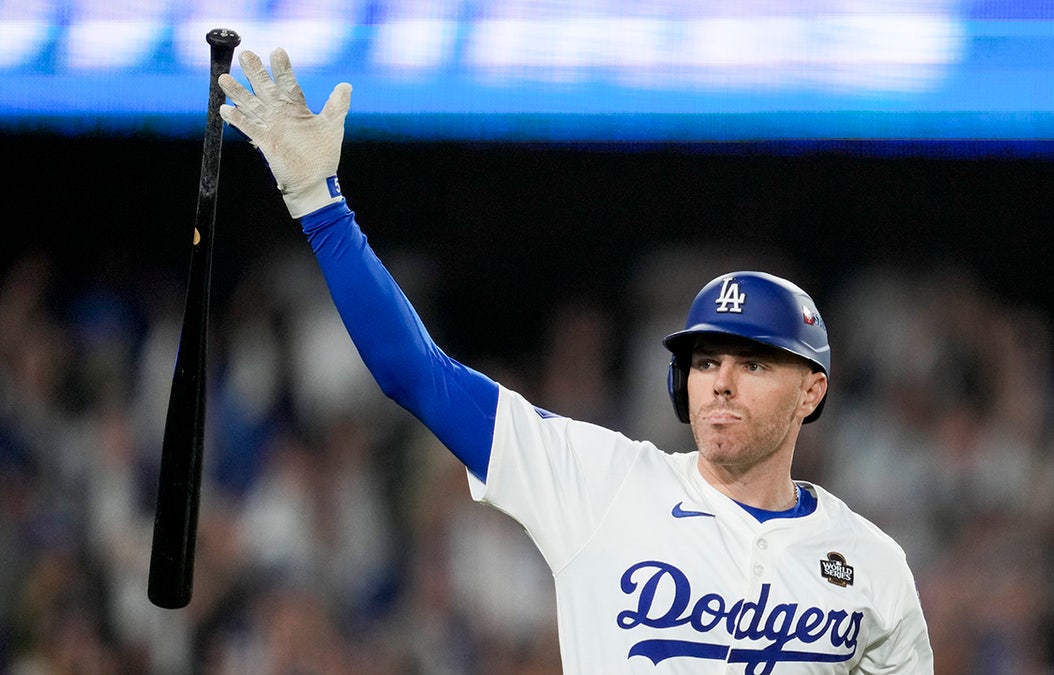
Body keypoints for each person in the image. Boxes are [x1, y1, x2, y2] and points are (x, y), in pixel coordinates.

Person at [218, 47, 934, 674]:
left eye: (753, 364)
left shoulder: (870, 565)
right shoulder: (602, 483)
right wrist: (320, 203)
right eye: (705, 359)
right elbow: (416, 372)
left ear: (811, 392)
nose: (720, 380)